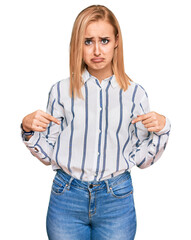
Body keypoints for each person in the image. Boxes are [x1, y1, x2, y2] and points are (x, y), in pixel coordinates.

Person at [21, 4, 171, 240]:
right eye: (88, 41)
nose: (97, 50)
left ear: (116, 42)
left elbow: (142, 160)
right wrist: (28, 130)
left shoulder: (135, 95)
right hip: (66, 198)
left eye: (104, 40)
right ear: (77, 45)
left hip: (117, 201)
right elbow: (49, 154)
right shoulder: (61, 92)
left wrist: (162, 130)